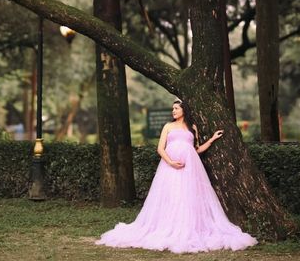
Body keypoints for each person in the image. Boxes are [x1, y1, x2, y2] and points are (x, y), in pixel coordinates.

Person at [96, 98, 258, 254]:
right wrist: (171, 162)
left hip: (191, 168)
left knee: (188, 196)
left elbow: (197, 149)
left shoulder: (192, 128)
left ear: (183, 110)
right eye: (172, 109)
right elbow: (160, 148)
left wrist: (212, 139)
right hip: (170, 168)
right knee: (171, 195)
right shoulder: (168, 126)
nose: (173, 111)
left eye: (176, 108)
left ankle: (188, 227)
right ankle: (168, 226)